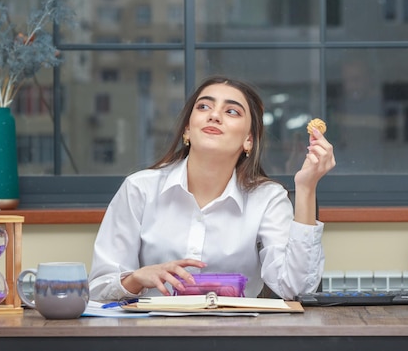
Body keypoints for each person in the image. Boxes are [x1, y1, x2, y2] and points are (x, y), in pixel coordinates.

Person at [88, 76, 336, 300]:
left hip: (235, 336)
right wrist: (135, 279)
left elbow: (297, 290)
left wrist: (306, 187)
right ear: (187, 129)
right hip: (153, 334)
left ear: (248, 139)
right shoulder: (139, 189)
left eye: (231, 111)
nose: (214, 115)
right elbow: (98, 289)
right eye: (204, 106)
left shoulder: (267, 198)